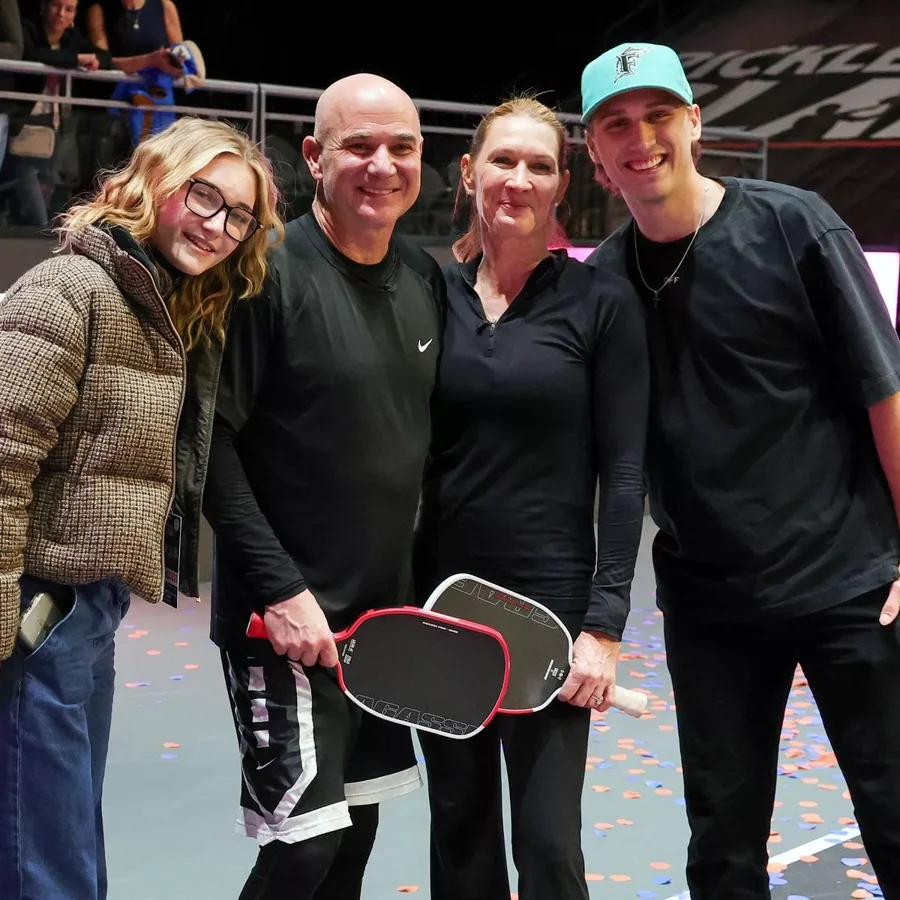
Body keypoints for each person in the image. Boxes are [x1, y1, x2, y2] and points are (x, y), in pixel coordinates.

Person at [581, 41, 900, 900]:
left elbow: (885, 391)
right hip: (710, 609)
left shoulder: (795, 226)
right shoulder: (603, 285)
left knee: (895, 812)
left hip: (849, 584)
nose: (641, 138)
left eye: (658, 115)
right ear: (596, 155)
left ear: (694, 122)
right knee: (722, 847)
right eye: (617, 124)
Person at [0, 115, 282, 900]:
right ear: (157, 181)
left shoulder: (161, 304)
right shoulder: (73, 287)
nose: (218, 226)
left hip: (87, 614)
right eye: (204, 196)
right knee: (47, 863)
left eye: (239, 216)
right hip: (36, 616)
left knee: (63, 845)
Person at [203, 73, 444, 900]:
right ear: (313, 156)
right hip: (282, 628)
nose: (383, 165)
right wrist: (282, 592)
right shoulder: (263, 275)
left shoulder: (423, 279)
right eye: (359, 146)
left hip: (380, 629)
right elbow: (210, 448)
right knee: (305, 847)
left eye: (402, 147)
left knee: (353, 842)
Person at [413, 96, 649, 900]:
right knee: (462, 838)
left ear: (561, 185)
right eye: (503, 161)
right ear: (469, 172)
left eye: (539, 165)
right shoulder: (430, 294)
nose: (519, 179)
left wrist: (603, 628)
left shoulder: (601, 304)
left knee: (548, 847)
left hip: (552, 615)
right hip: (442, 608)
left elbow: (624, 473)